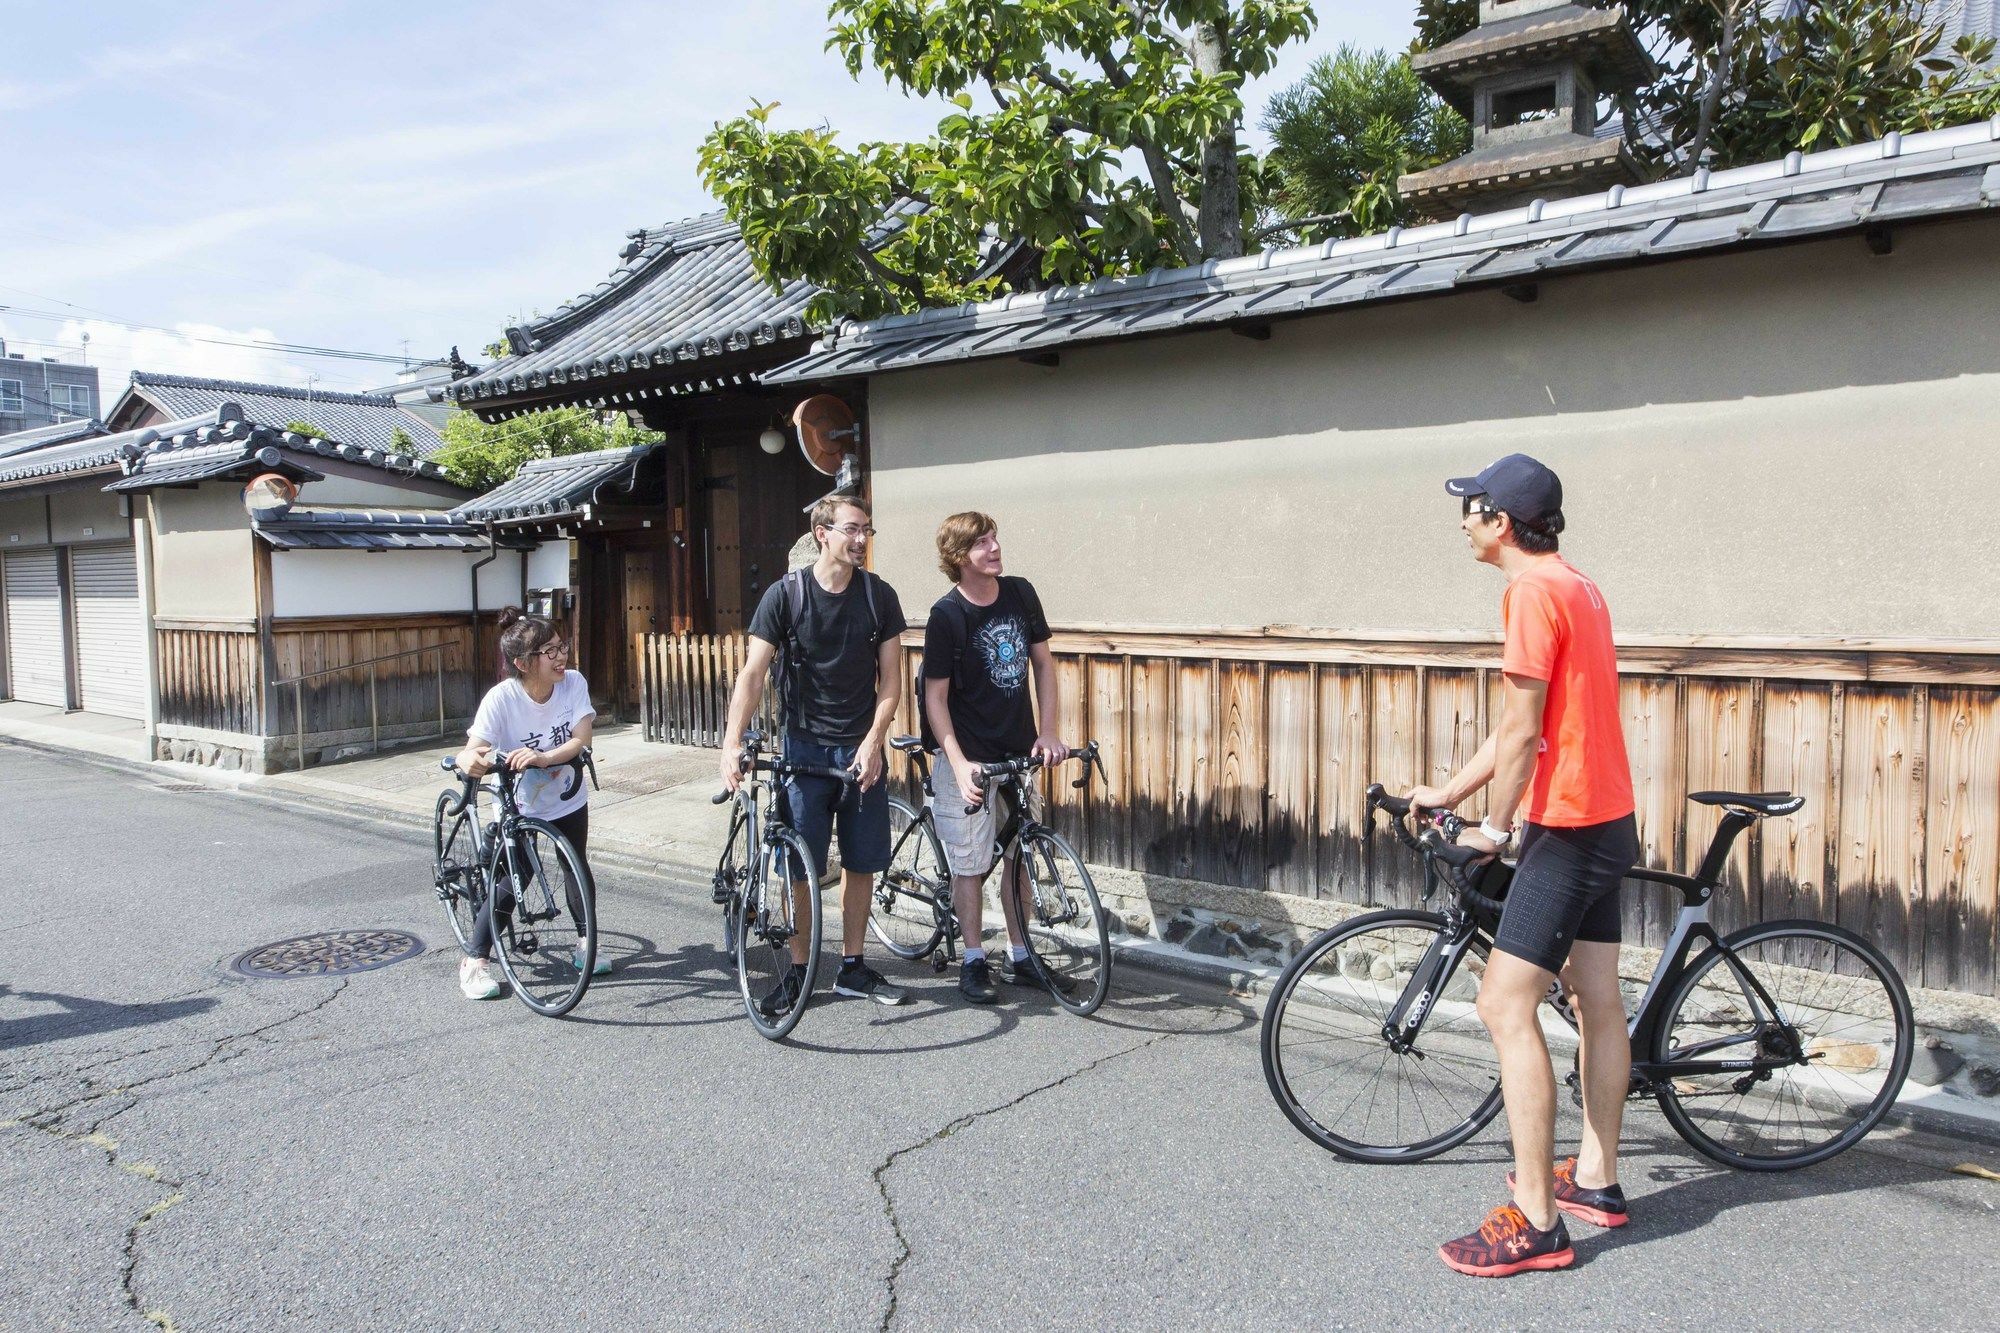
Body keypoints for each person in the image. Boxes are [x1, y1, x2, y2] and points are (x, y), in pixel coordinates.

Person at [1406, 454, 1637, 1277]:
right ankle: (1599, 1179)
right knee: (1597, 996)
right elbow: (1523, 729)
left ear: (1501, 520)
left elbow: (1521, 729)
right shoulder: (1579, 584)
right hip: (1610, 818)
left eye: (1470, 508)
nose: (1462, 521)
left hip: (1567, 826)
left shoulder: (1529, 593)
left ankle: (1537, 1218)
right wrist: (1451, 786)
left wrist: (1492, 827)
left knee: (1504, 1003)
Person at [720, 494, 910, 1013]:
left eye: (867, 530)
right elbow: (754, 674)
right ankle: (801, 970)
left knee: (862, 861)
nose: (861, 539)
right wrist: (733, 742)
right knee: (799, 866)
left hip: (859, 745)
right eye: (852, 529)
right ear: (822, 533)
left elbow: (891, 682)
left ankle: (852, 966)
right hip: (803, 747)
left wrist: (874, 743)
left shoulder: (879, 596)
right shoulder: (786, 597)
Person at [920, 512, 1071, 1004]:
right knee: (969, 864)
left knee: (1018, 856)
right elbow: (934, 698)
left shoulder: (1020, 593)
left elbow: (1045, 665)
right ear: (960, 557)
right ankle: (972, 958)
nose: (994, 547)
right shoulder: (947, 616)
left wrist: (1048, 732)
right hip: (969, 757)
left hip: (1019, 751)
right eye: (981, 542)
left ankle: (1020, 955)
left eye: (994, 537)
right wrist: (959, 764)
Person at [454, 608, 606, 1000]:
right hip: (518, 802)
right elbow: (474, 750)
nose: (561, 657)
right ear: (523, 663)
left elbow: (581, 740)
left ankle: (586, 942)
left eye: (562, 647)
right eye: (549, 651)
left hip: (566, 793)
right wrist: (470, 760)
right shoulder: (501, 699)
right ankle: (475, 960)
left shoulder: (573, 684)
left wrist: (543, 758)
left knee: (575, 863)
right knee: (513, 877)